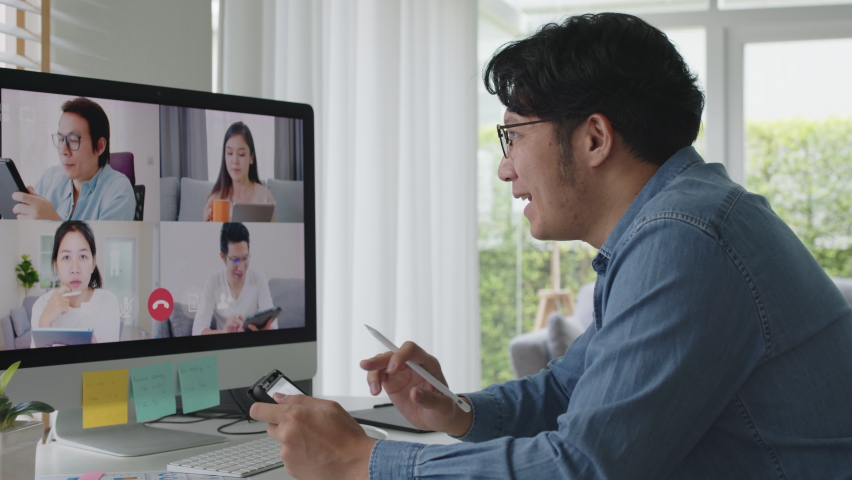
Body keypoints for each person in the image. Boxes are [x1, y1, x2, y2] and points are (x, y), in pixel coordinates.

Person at [249, 12, 852, 480]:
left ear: (594, 138)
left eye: (512, 136)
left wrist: (363, 460)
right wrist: (457, 410)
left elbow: (583, 467)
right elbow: (569, 387)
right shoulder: (673, 221)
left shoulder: (685, 238)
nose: (505, 169)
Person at [11, 97, 135, 221]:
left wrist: (53, 222)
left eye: (73, 140)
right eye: (60, 139)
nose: (63, 150)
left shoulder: (119, 191)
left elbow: (102, 241)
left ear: (99, 146)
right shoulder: (49, 178)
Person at [31, 221, 121, 346]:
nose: (75, 269)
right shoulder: (41, 305)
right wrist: (44, 323)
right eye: (66, 257)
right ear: (56, 265)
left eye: (83, 256)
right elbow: (37, 364)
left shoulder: (107, 301)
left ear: (93, 263)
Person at [192, 222, 276, 335]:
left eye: (245, 258)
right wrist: (224, 332)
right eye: (235, 260)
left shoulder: (258, 278)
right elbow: (197, 331)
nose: (241, 268)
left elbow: (274, 326)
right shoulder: (213, 282)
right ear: (223, 257)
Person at [203, 122, 276, 222]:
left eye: (241, 154)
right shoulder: (216, 198)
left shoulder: (264, 198)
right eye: (229, 153)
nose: (235, 160)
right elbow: (210, 237)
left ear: (251, 158)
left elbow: (271, 236)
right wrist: (205, 224)